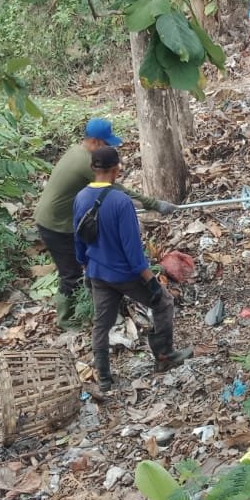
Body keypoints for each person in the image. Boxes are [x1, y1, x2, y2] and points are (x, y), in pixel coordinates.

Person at [72, 146, 191, 389]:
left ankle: (104, 377)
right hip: (124, 273)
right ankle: (164, 357)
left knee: (101, 325)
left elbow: (78, 240)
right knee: (164, 303)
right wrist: (152, 283)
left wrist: (86, 267)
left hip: (97, 272)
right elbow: (133, 253)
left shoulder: (80, 198)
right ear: (116, 169)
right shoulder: (121, 202)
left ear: (93, 169)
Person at [33, 118, 171, 323]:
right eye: (107, 144)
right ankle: (65, 320)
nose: (109, 148)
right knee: (70, 274)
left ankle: (103, 305)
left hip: (61, 220)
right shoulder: (85, 163)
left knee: (92, 262)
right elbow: (116, 189)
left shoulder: (77, 152)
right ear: (96, 142)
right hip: (56, 225)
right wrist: (155, 204)